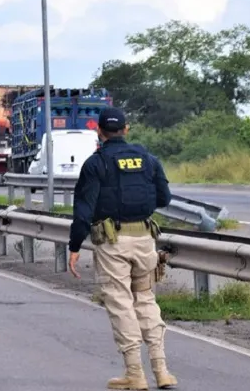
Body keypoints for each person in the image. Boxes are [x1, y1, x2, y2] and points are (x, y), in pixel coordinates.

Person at [68, 107, 178, 390]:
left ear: (99, 131)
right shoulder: (148, 159)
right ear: (126, 129)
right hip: (145, 240)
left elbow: (83, 209)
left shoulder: (96, 163)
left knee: (120, 303)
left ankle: (135, 375)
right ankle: (162, 371)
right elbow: (164, 198)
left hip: (113, 243)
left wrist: (75, 245)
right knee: (145, 299)